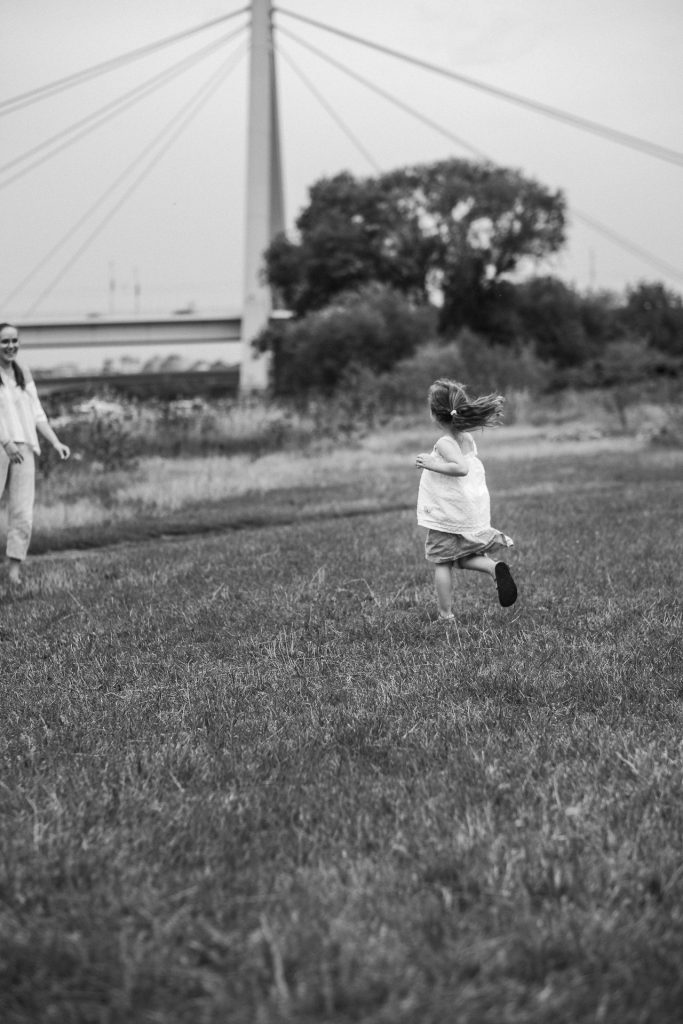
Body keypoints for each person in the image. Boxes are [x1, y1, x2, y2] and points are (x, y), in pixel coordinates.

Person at [415, 378, 517, 620]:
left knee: (442, 562)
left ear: (434, 414)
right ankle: (494, 568)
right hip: (466, 510)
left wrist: (431, 463)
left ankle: (445, 615)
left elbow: (460, 468)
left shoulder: (444, 442)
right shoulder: (466, 438)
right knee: (463, 559)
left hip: (448, 514)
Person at [0, 322, 71, 585]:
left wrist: (55, 442)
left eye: (14, 341)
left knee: (22, 512)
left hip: (25, 448)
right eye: (5, 341)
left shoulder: (22, 372)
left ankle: (13, 572)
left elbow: (37, 413)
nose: (11, 346)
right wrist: (6, 442)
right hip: (2, 447)